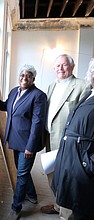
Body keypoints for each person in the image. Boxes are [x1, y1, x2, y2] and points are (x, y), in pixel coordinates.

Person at [0, 64, 47, 220]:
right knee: (22, 171)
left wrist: (30, 147)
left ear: (33, 79)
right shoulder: (14, 91)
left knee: (21, 174)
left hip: (28, 142)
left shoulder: (38, 96)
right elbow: (7, 107)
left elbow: (37, 123)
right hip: (14, 138)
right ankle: (32, 195)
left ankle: (16, 207)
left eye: (28, 75)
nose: (24, 78)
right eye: (22, 75)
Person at [40, 54, 90, 219]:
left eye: (64, 65)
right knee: (52, 174)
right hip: (49, 137)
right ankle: (57, 204)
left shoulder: (82, 86)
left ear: (72, 67)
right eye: (57, 66)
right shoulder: (51, 86)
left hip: (67, 141)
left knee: (67, 177)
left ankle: (66, 214)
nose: (60, 68)